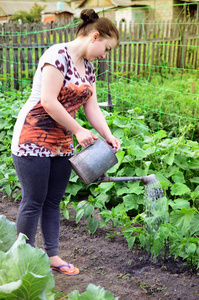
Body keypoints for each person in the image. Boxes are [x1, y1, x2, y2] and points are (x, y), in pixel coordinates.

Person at [11, 8, 120, 276]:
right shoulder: (56, 56)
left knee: (53, 201)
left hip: (61, 141)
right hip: (32, 138)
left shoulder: (89, 68)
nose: (105, 55)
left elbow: (91, 107)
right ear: (95, 37)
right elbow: (48, 101)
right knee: (34, 200)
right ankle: (22, 262)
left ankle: (52, 256)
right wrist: (79, 130)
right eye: (106, 48)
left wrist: (107, 135)